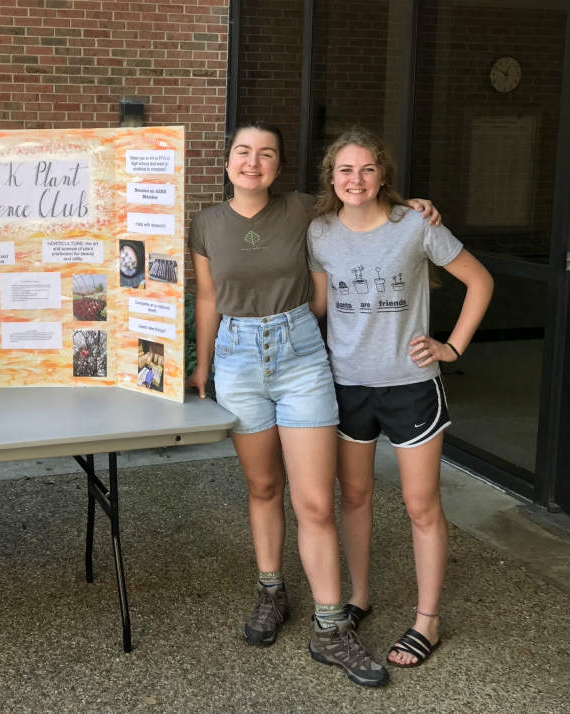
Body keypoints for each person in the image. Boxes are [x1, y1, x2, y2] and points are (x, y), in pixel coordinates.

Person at [187, 120, 440, 687]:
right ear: (227, 163)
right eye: (243, 153)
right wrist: (203, 363)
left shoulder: (303, 209)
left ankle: (330, 628)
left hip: (301, 354)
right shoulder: (205, 223)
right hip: (236, 356)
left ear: (279, 166)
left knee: (315, 502)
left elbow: (362, 200)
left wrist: (415, 207)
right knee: (263, 488)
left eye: (267, 154)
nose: (254, 163)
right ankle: (271, 590)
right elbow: (206, 296)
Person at [307, 127, 492, 668]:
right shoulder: (318, 233)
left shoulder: (414, 225)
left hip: (411, 386)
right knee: (356, 497)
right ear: (331, 177)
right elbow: (319, 306)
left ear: (382, 174)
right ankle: (359, 596)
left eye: (367, 169)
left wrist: (451, 347)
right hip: (347, 385)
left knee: (421, 505)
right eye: (345, 170)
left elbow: (479, 281)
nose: (356, 179)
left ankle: (427, 620)